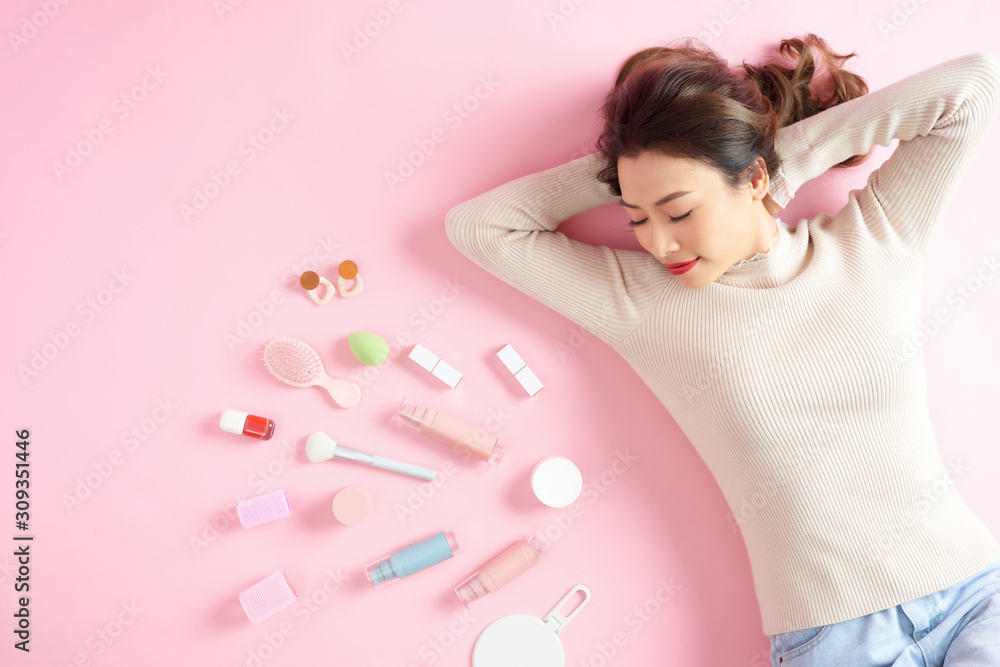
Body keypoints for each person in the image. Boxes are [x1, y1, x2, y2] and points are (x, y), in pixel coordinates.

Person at [444, 33, 1000, 666]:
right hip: (833, 641)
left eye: (679, 212)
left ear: (758, 175)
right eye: (637, 217)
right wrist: (646, 170)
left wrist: (770, 154)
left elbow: (975, 86)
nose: (660, 244)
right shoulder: (644, 305)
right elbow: (479, 226)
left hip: (976, 597)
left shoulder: (876, 242)